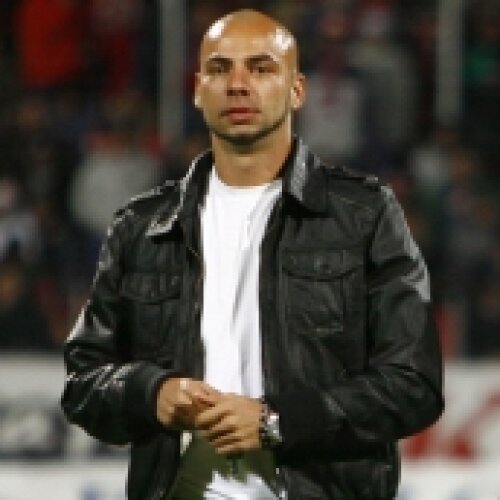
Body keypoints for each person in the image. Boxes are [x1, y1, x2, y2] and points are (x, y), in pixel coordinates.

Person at [61, 9, 444, 500]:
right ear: (198, 90)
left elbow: (414, 385)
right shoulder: (142, 227)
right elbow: (83, 382)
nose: (238, 85)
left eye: (261, 69)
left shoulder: (363, 215)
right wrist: (150, 392)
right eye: (220, 69)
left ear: (297, 90)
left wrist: (274, 422)